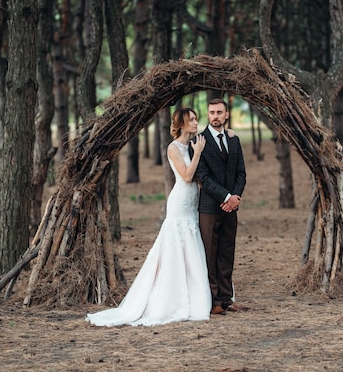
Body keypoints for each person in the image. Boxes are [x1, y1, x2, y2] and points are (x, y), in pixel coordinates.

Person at [86, 108, 211, 327]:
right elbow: (187, 176)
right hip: (180, 201)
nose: (195, 122)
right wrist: (198, 152)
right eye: (191, 119)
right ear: (181, 124)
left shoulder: (190, 146)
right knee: (176, 244)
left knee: (191, 246)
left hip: (192, 202)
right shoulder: (173, 148)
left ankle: (194, 295)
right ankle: (169, 298)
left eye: (195, 119)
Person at [194, 98, 247, 315]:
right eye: (212, 112)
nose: (215, 116)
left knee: (227, 251)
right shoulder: (199, 141)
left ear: (226, 115)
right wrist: (225, 196)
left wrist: (235, 197)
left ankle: (227, 298)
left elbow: (241, 173)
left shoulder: (234, 140)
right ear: (208, 115)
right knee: (210, 253)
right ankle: (214, 301)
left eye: (219, 112)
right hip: (209, 206)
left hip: (231, 207)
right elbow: (202, 177)